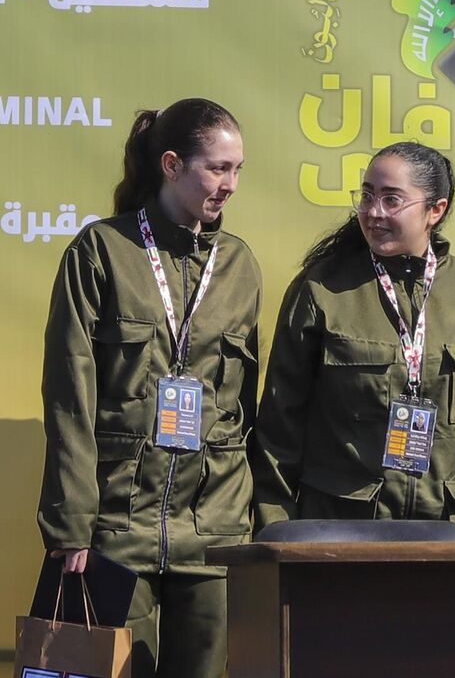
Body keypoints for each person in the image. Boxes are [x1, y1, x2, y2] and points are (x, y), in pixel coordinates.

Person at [39, 98, 259, 678]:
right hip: (117, 524)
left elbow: (247, 408)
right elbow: (70, 395)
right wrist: (69, 524)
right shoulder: (101, 251)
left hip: (213, 529)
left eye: (238, 169)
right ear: (170, 164)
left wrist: (250, 524)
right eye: (217, 168)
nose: (230, 184)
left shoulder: (240, 265)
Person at [253, 142, 455, 540]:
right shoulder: (323, 290)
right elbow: (279, 430)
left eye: (391, 199)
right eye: (366, 196)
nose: (373, 211)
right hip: (345, 536)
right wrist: (278, 538)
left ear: (436, 210)